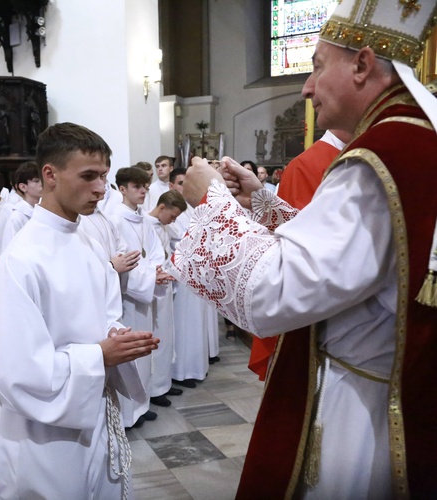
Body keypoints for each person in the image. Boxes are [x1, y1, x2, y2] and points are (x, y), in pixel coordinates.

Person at [170, 3, 437, 496]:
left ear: (361, 64)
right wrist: (264, 203)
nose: (307, 88)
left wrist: (211, 199)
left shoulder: (378, 158)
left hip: (362, 407)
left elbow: (274, 292)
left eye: (316, 66)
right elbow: (359, 263)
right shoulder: (417, 142)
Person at [0, 122, 159, 499]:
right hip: (45, 434)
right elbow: (15, 371)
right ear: (50, 175)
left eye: (104, 177)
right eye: (88, 176)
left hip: (95, 408)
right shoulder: (23, 258)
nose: (100, 188)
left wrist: (117, 336)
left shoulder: (89, 240)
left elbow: (108, 311)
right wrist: (99, 356)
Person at [248, 129, 350, 382]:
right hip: (322, 318)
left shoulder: (368, 153)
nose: (308, 89)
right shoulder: (307, 165)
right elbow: (297, 249)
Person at [111, 166, 170, 427]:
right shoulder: (114, 219)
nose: (143, 191)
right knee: (130, 355)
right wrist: (148, 277)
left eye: (145, 186)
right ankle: (128, 412)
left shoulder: (144, 219)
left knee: (144, 354)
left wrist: (156, 271)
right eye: (137, 187)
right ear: (122, 189)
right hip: (127, 298)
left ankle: (141, 405)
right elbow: (117, 262)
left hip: (144, 293)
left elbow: (155, 252)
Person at [167, 168, 215, 388]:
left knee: (196, 323)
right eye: (179, 183)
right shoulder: (171, 213)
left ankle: (196, 366)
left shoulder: (193, 209)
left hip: (199, 271)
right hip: (183, 273)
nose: (183, 186)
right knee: (184, 324)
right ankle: (181, 372)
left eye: (186, 182)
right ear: (171, 186)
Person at [145, 189, 186, 406]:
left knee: (167, 336)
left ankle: (164, 382)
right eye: (172, 216)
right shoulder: (144, 225)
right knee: (157, 337)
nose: (173, 221)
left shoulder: (163, 226)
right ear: (162, 208)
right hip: (151, 289)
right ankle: (153, 389)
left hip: (165, 284)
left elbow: (168, 251)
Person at [1, 161, 41, 250]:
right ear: (23, 187)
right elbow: (10, 250)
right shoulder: (17, 217)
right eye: (36, 181)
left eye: (42, 180)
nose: (42, 184)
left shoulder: (43, 211)